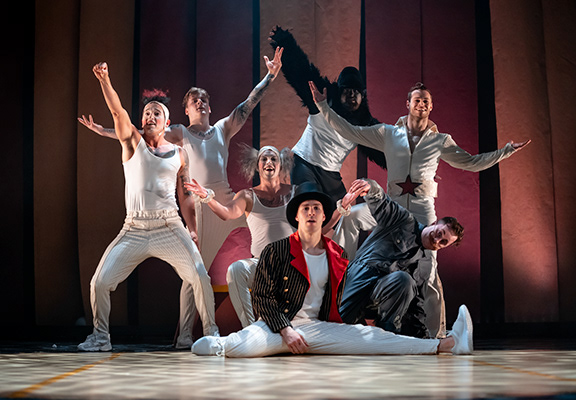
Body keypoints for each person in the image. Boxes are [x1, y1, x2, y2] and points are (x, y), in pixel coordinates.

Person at [78, 47, 283, 348]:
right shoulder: (178, 134)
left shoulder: (220, 130)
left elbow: (246, 105)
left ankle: (227, 327)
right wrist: (105, 130)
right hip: (182, 211)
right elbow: (132, 130)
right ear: (184, 111)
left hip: (219, 202)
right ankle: (184, 335)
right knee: (194, 275)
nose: (200, 102)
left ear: (209, 107)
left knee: (260, 224)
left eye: (204, 99)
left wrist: (270, 77)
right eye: (194, 100)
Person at [310, 81, 531, 337]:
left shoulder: (440, 141)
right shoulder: (388, 133)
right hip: (391, 209)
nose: (422, 104)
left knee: (428, 270)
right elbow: (350, 131)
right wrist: (323, 106)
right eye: (417, 99)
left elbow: (471, 162)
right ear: (408, 104)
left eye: (426, 101)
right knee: (352, 217)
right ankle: (341, 274)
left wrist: (505, 152)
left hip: (422, 211)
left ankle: (435, 334)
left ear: (431, 107)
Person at [190, 182, 473, 358]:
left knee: (375, 339)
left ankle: (447, 344)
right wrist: (285, 330)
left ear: (325, 217)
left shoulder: (337, 255)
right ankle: (223, 344)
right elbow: (263, 297)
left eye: (317, 209)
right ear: (296, 216)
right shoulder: (276, 251)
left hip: (324, 327)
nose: (311, 213)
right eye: (306, 208)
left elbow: (347, 299)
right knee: (233, 347)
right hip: (283, 324)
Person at [77, 62, 219, 352]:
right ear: (141, 121)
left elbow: (186, 195)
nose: (150, 116)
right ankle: (101, 337)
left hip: (169, 226)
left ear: (167, 123)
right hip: (134, 228)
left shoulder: (180, 154)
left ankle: (211, 335)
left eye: (157, 113)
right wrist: (105, 79)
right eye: (146, 113)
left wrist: (192, 230)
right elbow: (118, 113)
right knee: (100, 282)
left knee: (199, 276)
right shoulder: (132, 142)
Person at [268, 26, 386, 204]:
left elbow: (386, 152)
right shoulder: (323, 96)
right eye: (346, 91)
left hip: (330, 173)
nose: (351, 95)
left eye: (356, 92)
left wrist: (413, 167)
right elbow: (301, 72)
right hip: (304, 162)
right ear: (339, 92)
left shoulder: (365, 125)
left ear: (363, 96)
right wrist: (286, 43)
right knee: (309, 200)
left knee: (343, 212)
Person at [337, 178, 464, 338]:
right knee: (339, 327)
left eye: (443, 242)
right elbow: (381, 202)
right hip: (360, 276)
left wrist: (423, 339)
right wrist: (370, 187)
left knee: (404, 280)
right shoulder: (403, 220)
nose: (437, 240)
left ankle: (387, 336)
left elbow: (416, 307)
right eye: (439, 233)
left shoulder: (424, 265)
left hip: (380, 296)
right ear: (434, 223)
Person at [184, 144, 295, 328]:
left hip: (292, 264)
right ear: (257, 166)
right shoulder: (247, 196)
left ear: (280, 165)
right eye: (264, 159)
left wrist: (341, 209)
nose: (269, 162)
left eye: (273, 159)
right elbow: (227, 213)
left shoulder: (294, 192)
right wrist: (207, 197)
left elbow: (317, 223)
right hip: (261, 264)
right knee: (236, 270)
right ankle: (249, 329)